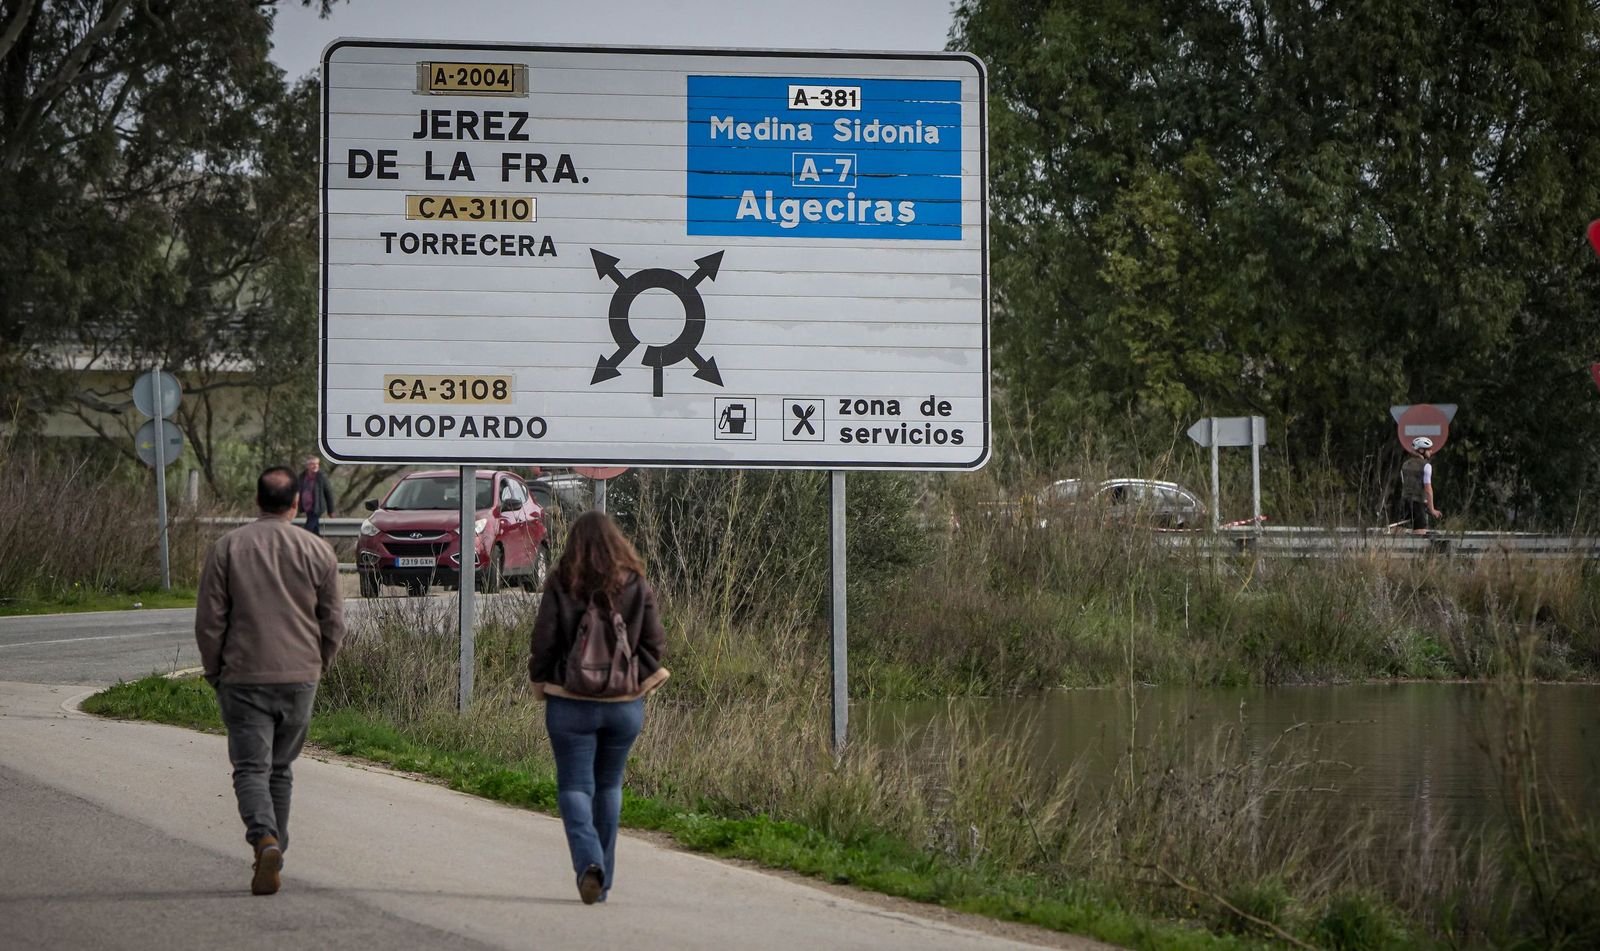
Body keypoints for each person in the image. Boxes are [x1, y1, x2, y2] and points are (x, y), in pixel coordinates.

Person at [194, 466, 346, 896]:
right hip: (300, 676)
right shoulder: (318, 551)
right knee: (280, 769)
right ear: (297, 503)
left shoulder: (228, 547)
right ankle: (274, 847)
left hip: (243, 676)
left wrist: (214, 670)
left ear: (257, 501)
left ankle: (264, 839)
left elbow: (210, 620)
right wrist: (321, 663)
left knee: (250, 768)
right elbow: (333, 620)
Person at [528, 511, 668, 905]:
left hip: (569, 703)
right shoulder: (636, 582)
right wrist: (637, 676)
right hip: (624, 706)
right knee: (609, 785)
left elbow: (544, 642)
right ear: (616, 542)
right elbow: (655, 643)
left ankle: (589, 862)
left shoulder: (561, 580)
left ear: (573, 543)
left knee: (574, 785)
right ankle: (601, 883)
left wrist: (542, 681)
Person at [1401, 436, 1443, 533]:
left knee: (1399, 533)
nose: (1431, 451)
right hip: (1418, 503)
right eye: (1429, 449)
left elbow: (1404, 483)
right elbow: (1428, 489)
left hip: (1404, 501)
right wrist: (1431, 509)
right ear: (1421, 450)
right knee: (1420, 533)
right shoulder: (1426, 466)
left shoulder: (1405, 464)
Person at [296, 456, 335, 535]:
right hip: (307, 507)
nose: (315, 466)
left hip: (317, 507)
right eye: (313, 464)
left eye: (317, 464)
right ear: (308, 466)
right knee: (315, 530)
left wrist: (331, 511)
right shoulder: (302, 476)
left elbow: (328, 493)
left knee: (308, 529)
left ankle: (303, 543)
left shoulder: (321, 476)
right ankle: (318, 542)